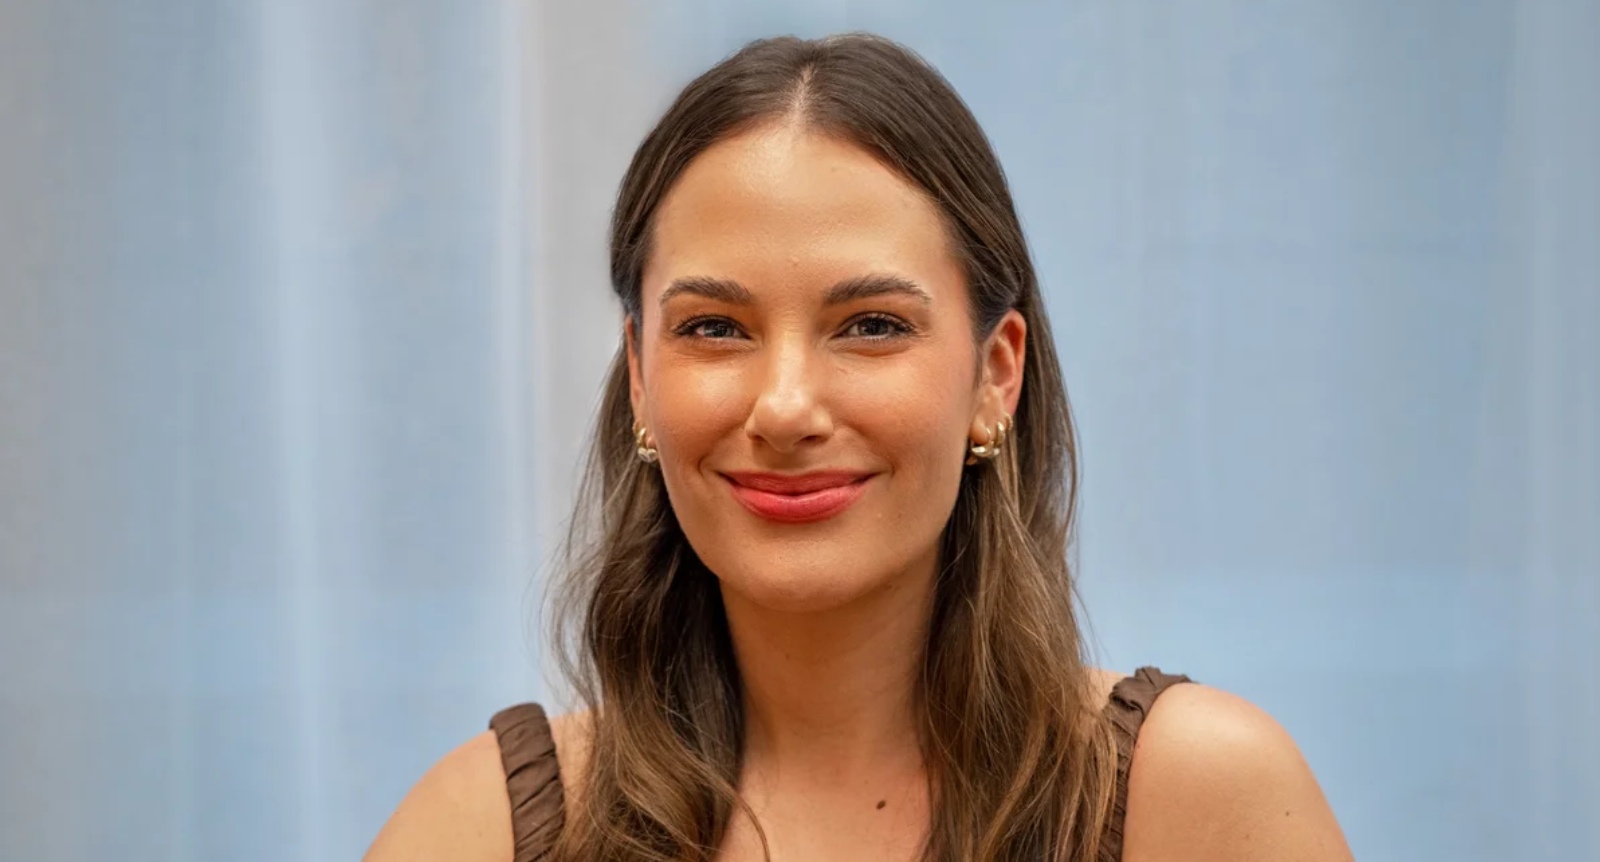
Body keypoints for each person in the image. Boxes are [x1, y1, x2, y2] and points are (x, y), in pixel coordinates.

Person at [363, 33, 1353, 862]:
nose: (785, 407)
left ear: (995, 373)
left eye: (871, 325)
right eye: (714, 328)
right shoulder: (485, 829)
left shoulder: (1196, 799)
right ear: (638, 376)